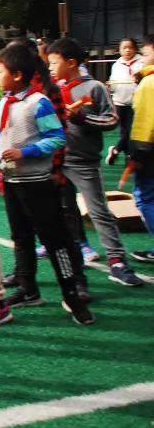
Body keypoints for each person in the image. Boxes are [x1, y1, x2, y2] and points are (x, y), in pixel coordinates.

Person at [0, 43, 93, 324]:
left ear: (19, 74)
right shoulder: (3, 104)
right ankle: (28, 289)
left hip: (38, 184)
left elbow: (57, 138)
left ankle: (72, 296)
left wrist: (26, 152)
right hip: (11, 182)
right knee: (20, 238)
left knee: (55, 241)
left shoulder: (39, 102)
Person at [48, 37, 143, 287]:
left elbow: (111, 120)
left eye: (53, 62)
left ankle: (117, 261)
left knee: (99, 211)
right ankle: (73, 257)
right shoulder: (53, 88)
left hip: (84, 162)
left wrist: (81, 118)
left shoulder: (94, 88)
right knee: (63, 211)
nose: (49, 67)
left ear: (70, 63)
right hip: (58, 160)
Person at [128, 35, 154, 264]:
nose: (142, 59)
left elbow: (145, 123)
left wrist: (138, 155)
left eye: (146, 54)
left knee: (145, 198)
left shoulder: (149, 82)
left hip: (151, 152)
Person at [107, 37, 141, 165]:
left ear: (135, 49)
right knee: (124, 131)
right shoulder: (116, 65)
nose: (127, 50)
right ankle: (128, 156)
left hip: (135, 103)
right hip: (119, 102)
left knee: (132, 131)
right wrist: (110, 85)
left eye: (130, 47)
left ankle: (116, 149)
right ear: (119, 50)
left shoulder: (141, 62)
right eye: (124, 48)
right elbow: (114, 83)